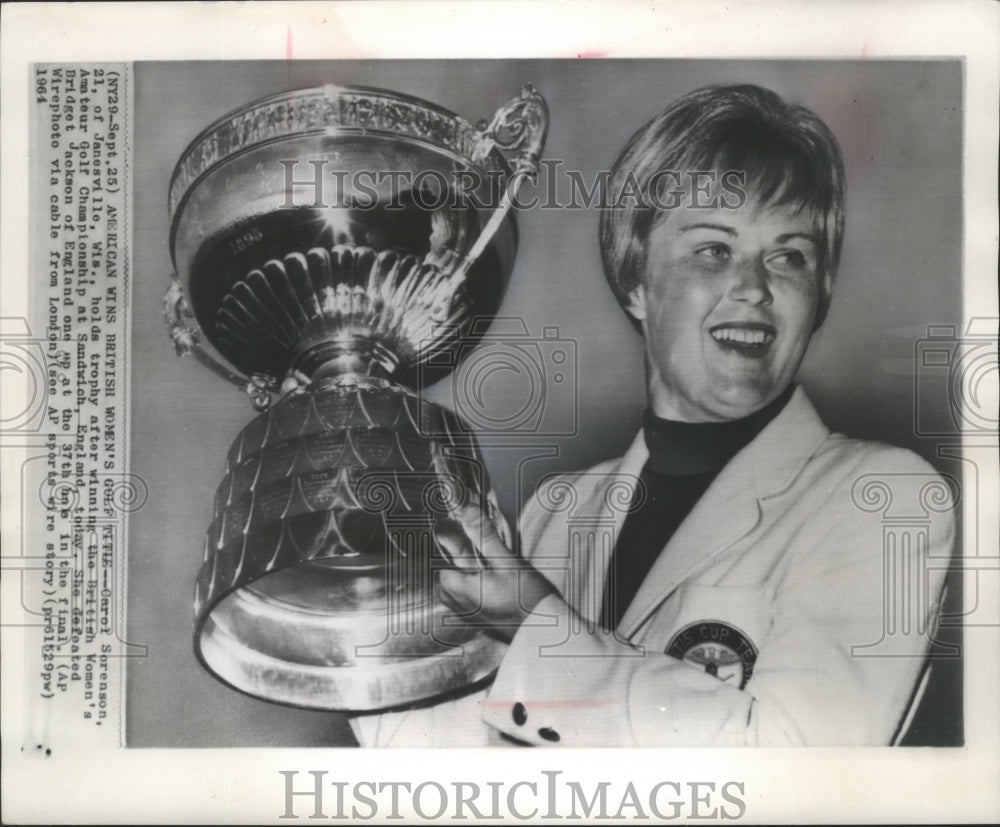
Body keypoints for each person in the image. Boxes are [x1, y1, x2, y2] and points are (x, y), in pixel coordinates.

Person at [348, 83, 955, 747]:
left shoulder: (884, 499)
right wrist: (364, 563)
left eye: (790, 256)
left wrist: (534, 625)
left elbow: (797, 769)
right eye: (714, 250)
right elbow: (444, 768)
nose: (755, 287)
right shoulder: (558, 508)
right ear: (636, 279)